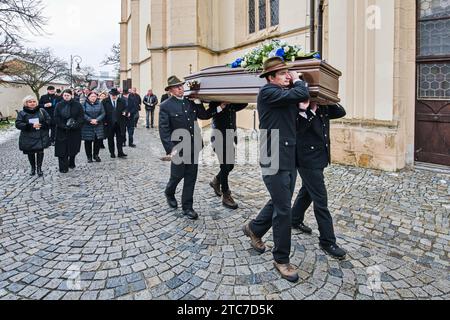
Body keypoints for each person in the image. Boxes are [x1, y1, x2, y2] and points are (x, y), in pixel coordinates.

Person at [242, 57, 310, 283]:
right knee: (284, 210)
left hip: (288, 156)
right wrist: (300, 81)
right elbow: (300, 93)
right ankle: (281, 259)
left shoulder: (284, 97)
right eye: (283, 73)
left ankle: (254, 228)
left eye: (288, 73)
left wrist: (303, 110)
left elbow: (294, 120)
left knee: (280, 200)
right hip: (273, 158)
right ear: (270, 78)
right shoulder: (268, 92)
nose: (288, 76)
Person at [292, 102, 347, 260]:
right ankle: (327, 241)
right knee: (320, 200)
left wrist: (328, 97)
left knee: (307, 191)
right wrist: (309, 108)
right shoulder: (300, 107)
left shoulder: (324, 106)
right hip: (306, 160)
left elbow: (341, 112)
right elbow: (297, 128)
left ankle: (294, 219)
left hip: (320, 157)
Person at [159, 75, 218, 220]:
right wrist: (170, 148)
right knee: (177, 175)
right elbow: (164, 129)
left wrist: (218, 107)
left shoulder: (190, 102)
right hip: (178, 148)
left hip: (194, 146)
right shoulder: (166, 106)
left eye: (181, 86)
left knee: (191, 177)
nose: (180, 89)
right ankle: (169, 192)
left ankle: (187, 207)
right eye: (177, 87)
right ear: (171, 90)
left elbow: (204, 115)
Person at [207, 102, 248, 209]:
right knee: (225, 167)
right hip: (219, 138)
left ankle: (216, 181)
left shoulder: (233, 104)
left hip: (230, 138)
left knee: (230, 166)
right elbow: (208, 113)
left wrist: (234, 97)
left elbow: (244, 103)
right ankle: (226, 195)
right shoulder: (215, 103)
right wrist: (220, 106)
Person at [15, 95, 51, 177]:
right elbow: (18, 124)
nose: (32, 103)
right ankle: (33, 168)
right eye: (30, 102)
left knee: (40, 152)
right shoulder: (22, 113)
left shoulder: (42, 110)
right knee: (30, 153)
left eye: (34, 101)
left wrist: (41, 124)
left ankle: (39, 168)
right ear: (26, 103)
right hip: (28, 136)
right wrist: (30, 126)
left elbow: (49, 120)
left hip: (40, 135)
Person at [54, 89, 85, 173]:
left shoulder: (77, 105)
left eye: (68, 95)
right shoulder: (59, 105)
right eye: (65, 95)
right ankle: (63, 167)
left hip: (74, 130)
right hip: (62, 130)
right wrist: (63, 126)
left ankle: (71, 161)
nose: (66, 97)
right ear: (62, 96)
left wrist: (75, 125)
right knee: (62, 149)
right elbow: (56, 117)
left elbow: (81, 117)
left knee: (73, 148)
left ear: (71, 95)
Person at [102, 88, 128, 159]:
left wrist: (125, 112)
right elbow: (102, 112)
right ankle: (112, 153)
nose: (114, 96)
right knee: (110, 139)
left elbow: (126, 108)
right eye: (113, 95)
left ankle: (120, 152)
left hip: (120, 123)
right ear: (110, 94)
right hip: (109, 123)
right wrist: (104, 122)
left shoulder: (122, 101)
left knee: (120, 138)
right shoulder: (105, 101)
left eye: (115, 95)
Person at [81, 91, 106, 163]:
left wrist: (97, 120)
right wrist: (90, 120)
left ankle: (96, 155)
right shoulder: (84, 104)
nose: (93, 98)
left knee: (97, 141)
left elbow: (103, 113)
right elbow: (83, 113)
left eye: (95, 96)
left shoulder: (100, 103)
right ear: (88, 97)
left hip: (98, 125)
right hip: (87, 125)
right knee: (88, 142)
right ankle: (89, 157)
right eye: (92, 96)